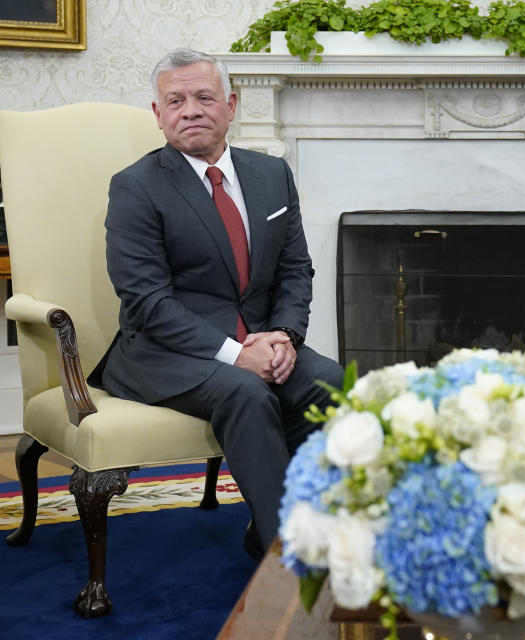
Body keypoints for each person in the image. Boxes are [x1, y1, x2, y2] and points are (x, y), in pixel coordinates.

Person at [89, 48, 343, 560]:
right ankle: (286, 559)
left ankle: (284, 520)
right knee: (245, 391)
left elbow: (296, 270)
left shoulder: (273, 175)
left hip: (259, 337)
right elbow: (145, 302)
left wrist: (285, 337)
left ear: (230, 105)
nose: (190, 110)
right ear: (158, 115)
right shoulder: (136, 187)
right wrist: (236, 354)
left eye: (204, 97)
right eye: (175, 101)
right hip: (163, 352)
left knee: (331, 383)